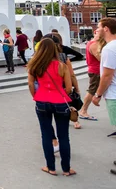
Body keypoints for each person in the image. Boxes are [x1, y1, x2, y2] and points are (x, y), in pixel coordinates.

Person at [27, 37, 76, 177]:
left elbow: (31, 84)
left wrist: (35, 95)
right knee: (64, 136)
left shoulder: (34, 65)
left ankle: (51, 167)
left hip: (42, 100)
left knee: (46, 135)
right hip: (60, 101)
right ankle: (66, 169)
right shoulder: (62, 66)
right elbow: (68, 87)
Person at [92, 18, 116, 141]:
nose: (97, 29)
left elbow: (107, 75)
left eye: (99, 26)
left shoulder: (109, 48)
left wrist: (98, 94)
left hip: (114, 94)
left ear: (106, 29)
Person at [79, 28, 105, 121]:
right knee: (92, 90)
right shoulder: (94, 45)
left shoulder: (93, 43)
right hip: (96, 71)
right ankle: (83, 111)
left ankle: (83, 110)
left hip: (95, 70)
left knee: (92, 90)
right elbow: (101, 59)